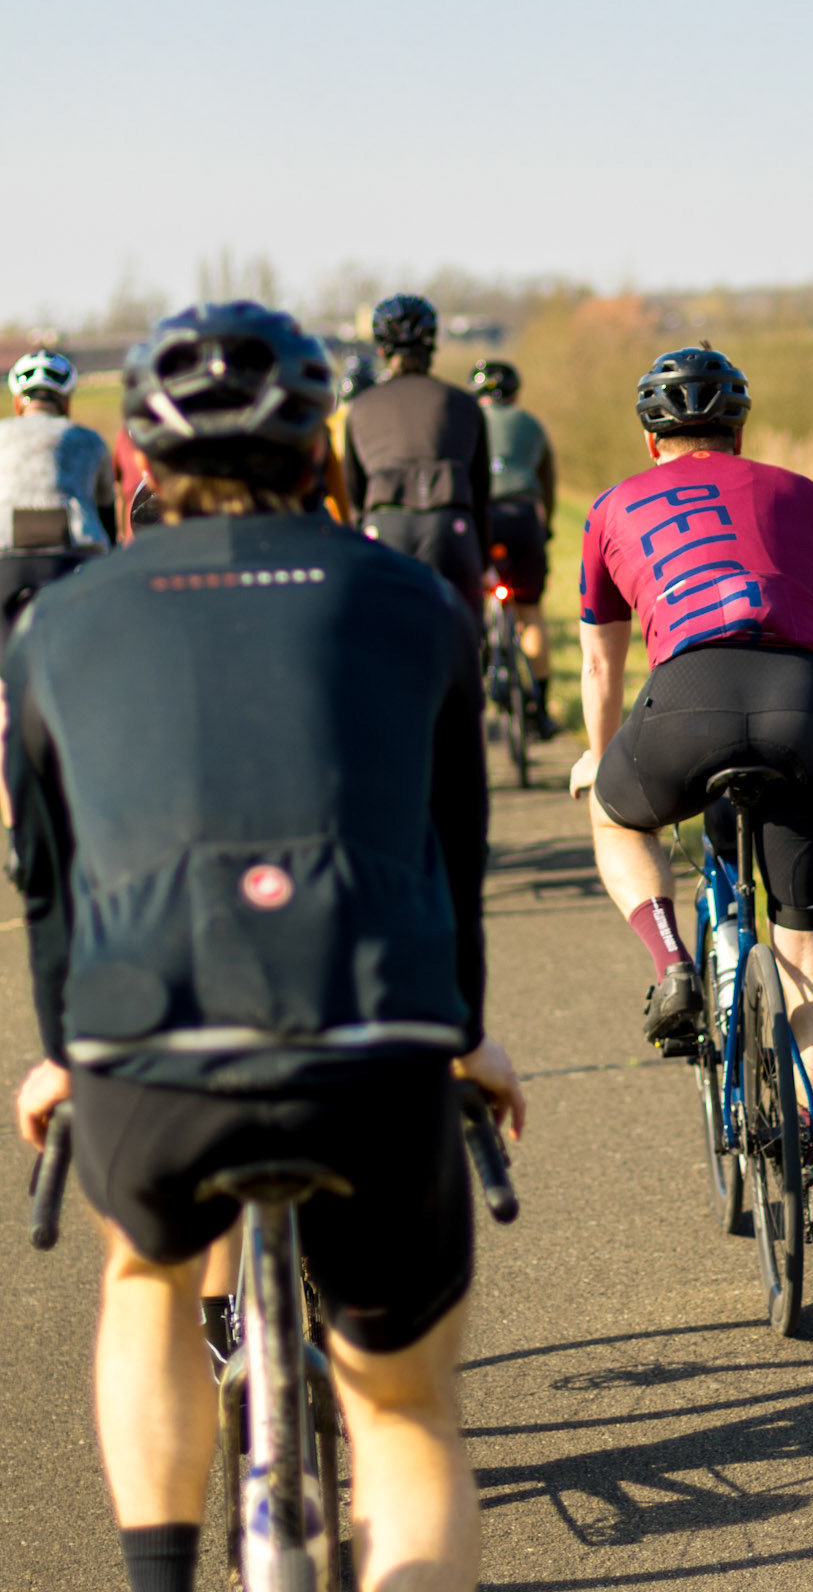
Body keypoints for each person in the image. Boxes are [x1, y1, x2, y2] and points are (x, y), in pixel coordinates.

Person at [8, 300, 523, 1592]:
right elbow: (453, 848)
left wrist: (66, 1048)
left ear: (141, 461)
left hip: (149, 1032)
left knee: (146, 1272)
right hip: (378, 1031)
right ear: (317, 453)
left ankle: (159, 1576)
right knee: (404, 1412)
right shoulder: (414, 602)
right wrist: (462, 1031)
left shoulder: (55, 625)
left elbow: (49, 879)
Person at [570, 345, 813, 1235]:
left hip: (685, 699)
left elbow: (600, 663)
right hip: (800, 704)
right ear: (739, 428)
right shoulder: (801, 493)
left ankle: (672, 966)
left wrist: (599, 757)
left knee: (617, 813)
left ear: (650, 439)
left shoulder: (611, 506)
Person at [342, 295, 489, 618]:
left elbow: (354, 493)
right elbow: (481, 491)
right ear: (432, 346)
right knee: (461, 633)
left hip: (385, 524)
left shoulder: (361, 408)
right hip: (450, 526)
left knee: (385, 635)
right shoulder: (463, 403)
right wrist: (483, 560)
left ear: (381, 350)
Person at [0, 348, 115, 653]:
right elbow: (106, 513)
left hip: (5, 559)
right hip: (74, 558)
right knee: (83, 657)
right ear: (66, 402)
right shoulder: (90, 440)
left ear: (17, 401)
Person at [470, 358, 558, 739]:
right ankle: (539, 710)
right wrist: (546, 525)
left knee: (474, 602)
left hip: (483, 519)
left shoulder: (468, 421)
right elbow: (547, 481)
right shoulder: (531, 424)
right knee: (530, 612)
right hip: (523, 518)